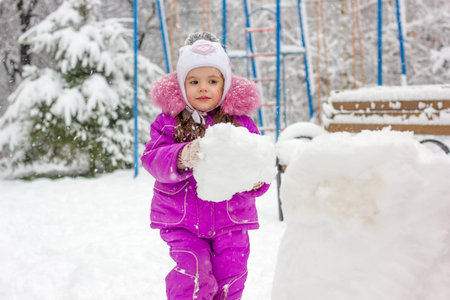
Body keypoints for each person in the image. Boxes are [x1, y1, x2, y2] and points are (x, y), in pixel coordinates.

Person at [141, 32, 269, 300]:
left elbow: (258, 161)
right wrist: (181, 156)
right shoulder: (168, 122)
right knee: (194, 273)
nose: (203, 88)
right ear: (181, 85)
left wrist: (255, 180)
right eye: (194, 81)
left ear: (225, 84)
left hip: (231, 220)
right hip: (182, 221)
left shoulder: (240, 123)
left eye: (212, 81)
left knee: (231, 279)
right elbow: (152, 159)